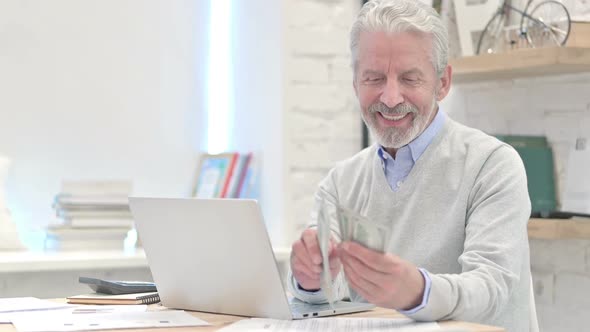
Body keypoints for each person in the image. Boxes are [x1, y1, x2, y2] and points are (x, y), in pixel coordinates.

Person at [287, 1, 534, 331]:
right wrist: (310, 281)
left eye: (409, 78)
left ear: (442, 83)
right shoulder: (340, 183)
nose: (390, 98)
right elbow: (324, 302)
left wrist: (418, 291)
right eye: (374, 78)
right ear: (355, 84)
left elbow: (492, 289)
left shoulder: (492, 166)